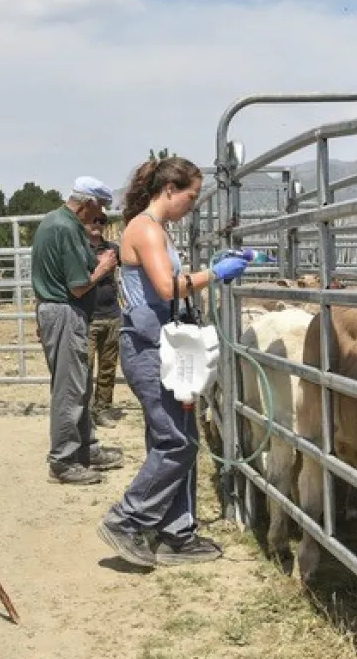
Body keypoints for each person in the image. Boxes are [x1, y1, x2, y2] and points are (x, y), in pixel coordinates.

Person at [97, 157, 249, 568]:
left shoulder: (156, 230)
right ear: (169, 190)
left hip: (163, 345)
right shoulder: (145, 230)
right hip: (148, 347)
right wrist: (215, 274)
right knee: (177, 441)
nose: (193, 205)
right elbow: (167, 287)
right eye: (191, 196)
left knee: (176, 435)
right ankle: (126, 519)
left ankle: (176, 532)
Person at [30, 176, 123, 485]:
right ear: (87, 203)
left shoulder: (53, 222)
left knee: (78, 384)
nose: (98, 218)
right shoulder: (66, 228)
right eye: (98, 211)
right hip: (65, 312)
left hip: (58, 310)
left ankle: (85, 448)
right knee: (70, 388)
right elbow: (79, 285)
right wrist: (104, 267)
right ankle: (64, 460)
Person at [86, 213, 122, 427]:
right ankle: (85, 411)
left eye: (102, 221)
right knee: (85, 367)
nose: (98, 224)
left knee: (108, 367)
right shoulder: (79, 249)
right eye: (94, 220)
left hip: (111, 314)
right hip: (89, 316)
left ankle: (102, 409)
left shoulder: (114, 249)